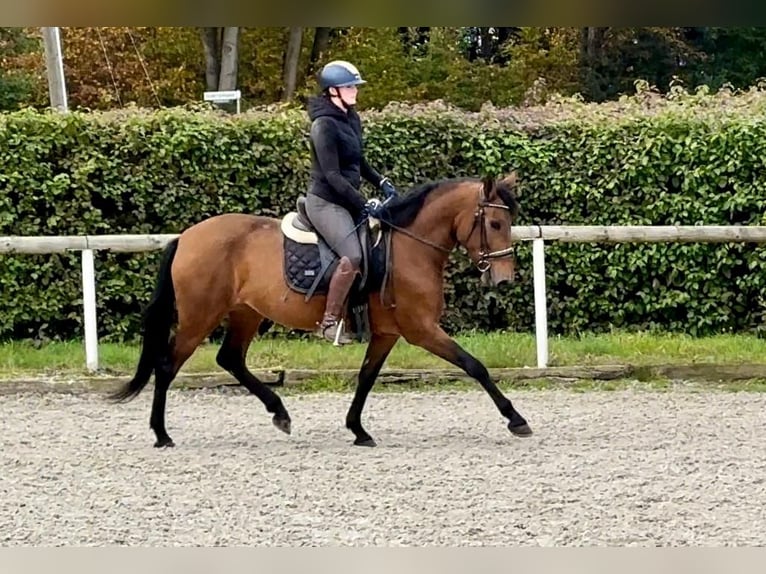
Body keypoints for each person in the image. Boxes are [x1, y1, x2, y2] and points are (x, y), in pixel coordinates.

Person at [304, 60, 398, 344]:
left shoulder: (351, 118)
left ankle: (361, 319)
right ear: (333, 91)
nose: (355, 91)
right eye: (349, 86)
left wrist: (381, 181)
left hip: (347, 201)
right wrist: (363, 202)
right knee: (353, 256)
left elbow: (357, 161)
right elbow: (332, 175)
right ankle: (329, 323)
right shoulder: (323, 126)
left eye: (355, 86)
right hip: (325, 202)